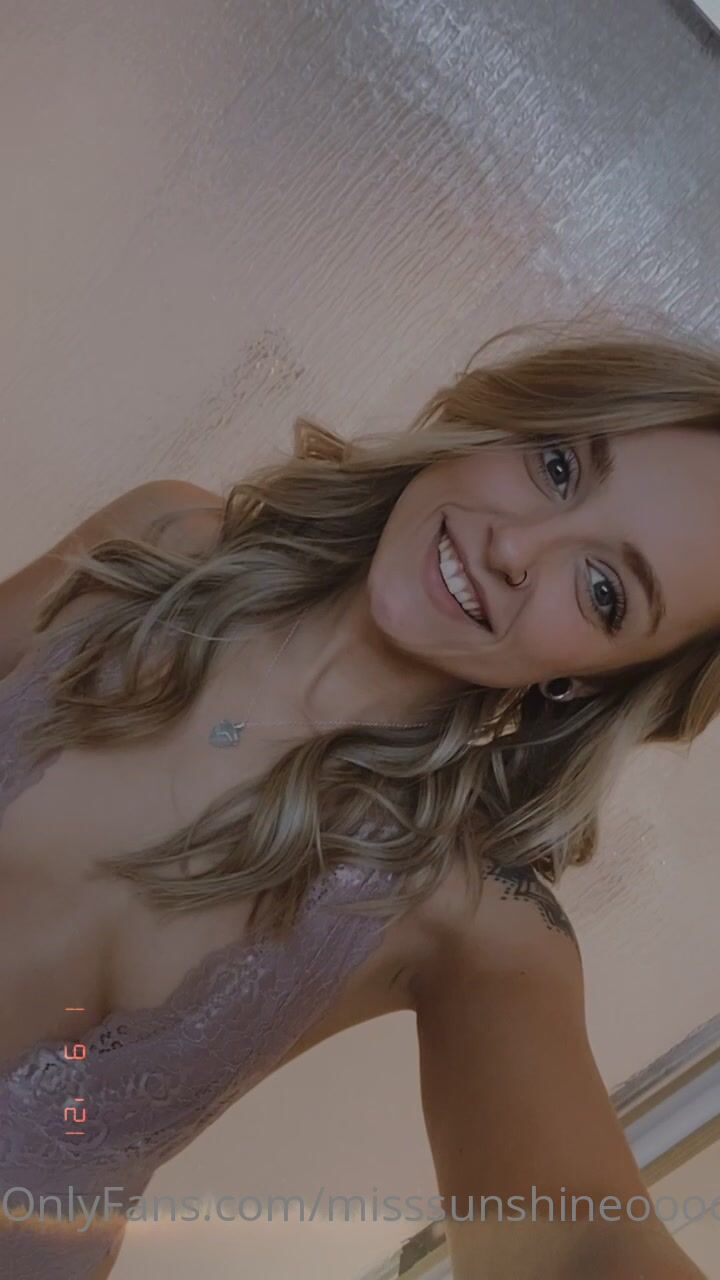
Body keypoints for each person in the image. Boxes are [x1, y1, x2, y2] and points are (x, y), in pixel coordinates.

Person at [0, 321, 715, 1278]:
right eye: (557, 467)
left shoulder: (473, 918)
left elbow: (583, 1242)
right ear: (503, 421)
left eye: (603, 590)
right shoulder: (159, 545)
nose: (515, 546)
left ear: (590, 680)